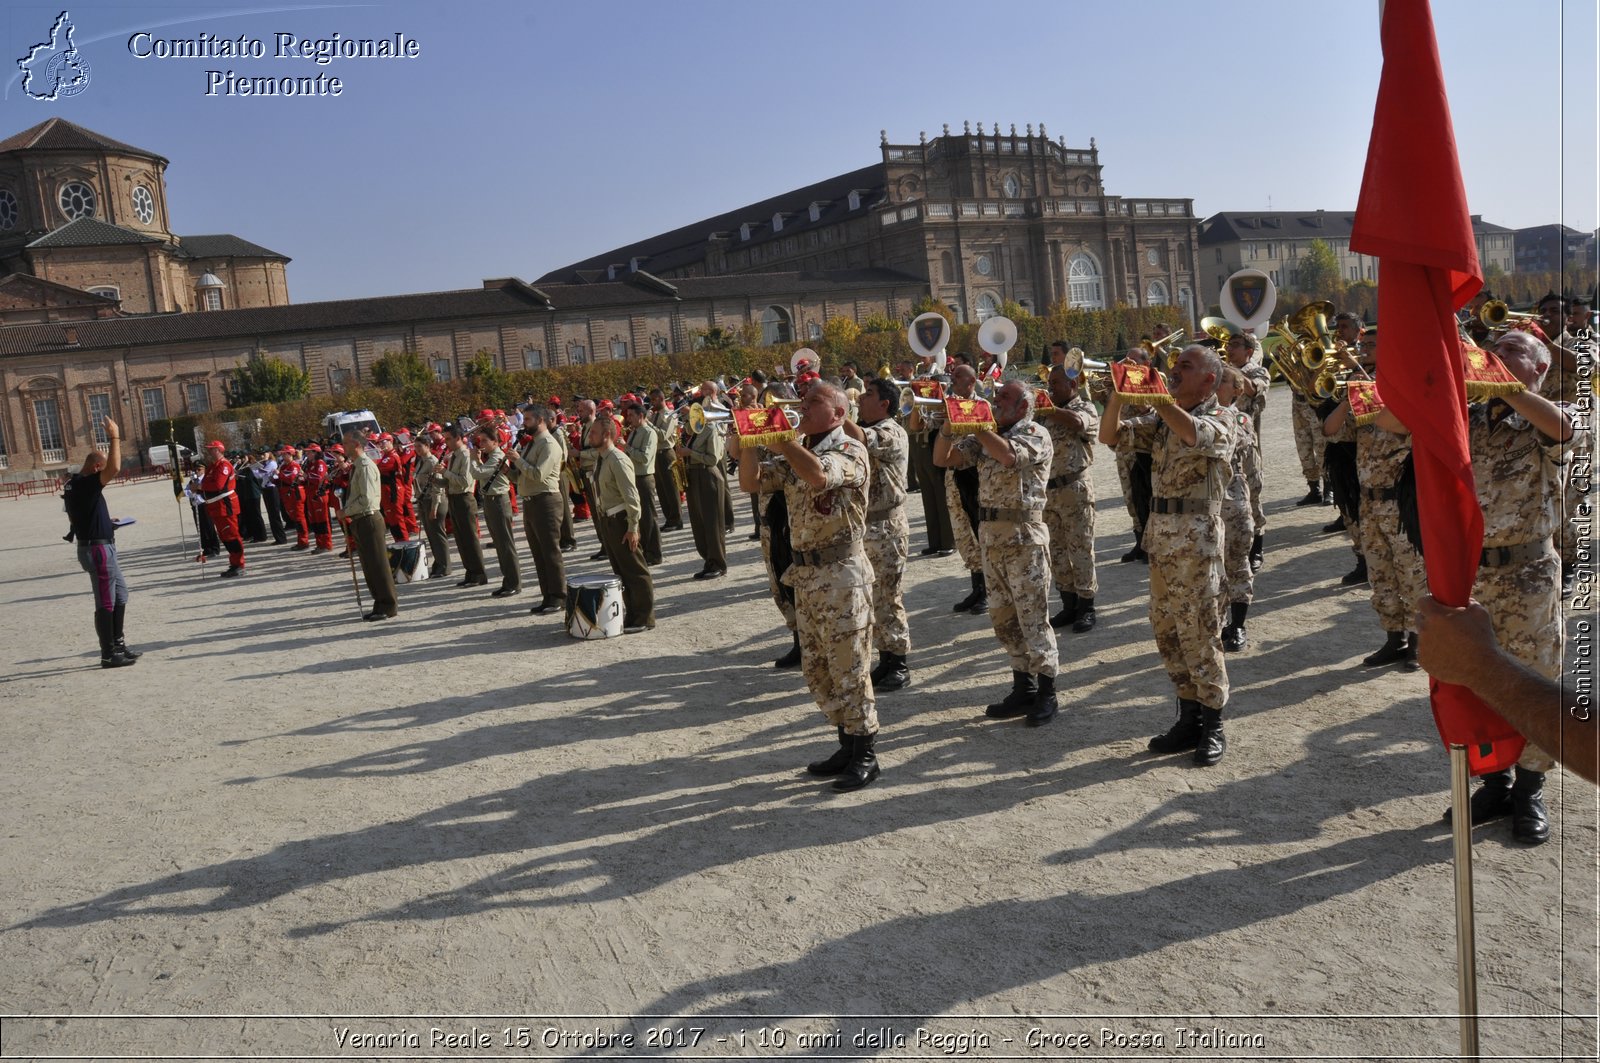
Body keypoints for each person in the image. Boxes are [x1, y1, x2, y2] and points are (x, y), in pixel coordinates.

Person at [1405, 328, 1577, 844]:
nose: (1498, 354)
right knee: (1471, 679)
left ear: (1539, 370)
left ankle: (1529, 791)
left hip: (1526, 576)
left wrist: (1501, 384)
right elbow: (1397, 419)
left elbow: (1565, 431)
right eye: (1494, 347)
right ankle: (1494, 783)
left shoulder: (1553, 414)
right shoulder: (1468, 418)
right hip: (1470, 573)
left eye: (1514, 351)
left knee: (1534, 679)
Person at [735, 382, 880, 790]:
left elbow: (819, 477)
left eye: (813, 401)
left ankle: (866, 752)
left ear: (838, 413)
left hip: (842, 576)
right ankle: (846, 742)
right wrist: (749, 435)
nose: (802, 406)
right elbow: (751, 482)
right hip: (808, 577)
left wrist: (780, 440)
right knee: (818, 669)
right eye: (803, 400)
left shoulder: (850, 449)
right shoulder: (799, 449)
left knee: (849, 667)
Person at [1101, 345, 1236, 764]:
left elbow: (1196, 435)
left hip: (1197, 542)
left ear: (1210, 380)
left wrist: (1160, 399)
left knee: (1200, 631)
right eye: (1174, 366)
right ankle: (1188, 716)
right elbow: (1111, 436)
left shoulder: (1223, 417)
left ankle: (1214, 723)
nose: (1174, 371)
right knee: (1168, 631)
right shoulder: (1162, 416)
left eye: (1185, 367)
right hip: (1162, 540)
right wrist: (1121, 393)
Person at [936, 379, 1060, 726]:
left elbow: (1008, 456)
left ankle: (1048, 692)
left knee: (1032, 617)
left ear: (1023, 406)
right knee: (1004, 620)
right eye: (996, 395)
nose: (995, 400)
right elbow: (942, 457)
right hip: (991, 537)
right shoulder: (984, 435)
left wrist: (978, 423)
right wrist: (949, 423)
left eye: (1004, 396)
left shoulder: (1034, 432)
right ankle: (1024, 686)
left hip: (1024, 537)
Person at [1414, 595, 1597, 788]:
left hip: (1528, 581)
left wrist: (1482, 667)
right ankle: (1495, 782)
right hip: (1472, 583)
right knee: (1472, 703)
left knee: (1536, 667)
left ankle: (1529, 789)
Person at [843, 377, 911, 691]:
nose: (860, 399)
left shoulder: (891, 430)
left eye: (868, 395)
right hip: (865, 527)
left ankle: (899, 663)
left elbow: (857, 434)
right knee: (871, 600)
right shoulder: (865, 427)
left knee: (888, 597)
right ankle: (885, 659)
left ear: (884, 403)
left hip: (887, 528)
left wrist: (835, 409)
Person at [64, 417, 140, 667]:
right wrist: (115, 436)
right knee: (105, 600)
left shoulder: (76, 484)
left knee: (121, 594)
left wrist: (107, 520)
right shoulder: (85, 484)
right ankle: (108, 653)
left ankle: (118, 644)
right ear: (97, 467)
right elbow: (115, 468)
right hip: (97, 549)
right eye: (103, 470)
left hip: (101, 544)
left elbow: (85, 513)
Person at [1039, 364, 1100, 633]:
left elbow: (1077, 424)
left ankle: (1087, 606)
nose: (1050, 387)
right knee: (1057, 552)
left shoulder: (1084, 408)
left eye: (1056, 383)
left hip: (1074, 489)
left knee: (1081, 549)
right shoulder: (1045, 413)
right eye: (1049, 382)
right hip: (1048, 492)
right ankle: (1069, 604)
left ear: (1072, 386)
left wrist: (1048, 408)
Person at [591, 414, 655, 633]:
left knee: (635, 570)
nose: (590, 436)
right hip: (608, 520)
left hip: (621, 520)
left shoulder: (617, 459)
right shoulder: (602, 458)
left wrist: (632, 527)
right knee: (622, 571)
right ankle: (633, 613)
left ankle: (644, 617)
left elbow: (632, 497)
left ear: (607, 435)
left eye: (594, 433)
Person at [1213, 367, 1257, 651]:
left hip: (1232, 499)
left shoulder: (1239, 418)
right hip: (1208, 501)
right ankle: (1217, 623)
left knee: (1237, 564)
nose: (1217, 384)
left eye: (1223, 381)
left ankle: (1238, 626)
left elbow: (1232, 444)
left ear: (1237, 391)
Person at [508, 407, 567, 615]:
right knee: (538, 553)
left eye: (529, 419)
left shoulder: (549, 444)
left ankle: (559, 596)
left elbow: (539, 474)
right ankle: (547, 596)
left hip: (546, 501)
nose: (525, 424)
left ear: (540, 420)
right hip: (532, 501)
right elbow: (522, 477)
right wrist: (508, 469)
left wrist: (518, 460)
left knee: (550, 551)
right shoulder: (532, 443)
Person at [942, 364, 989, 614]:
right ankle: (977, 586)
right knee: (962, 532)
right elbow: (919, 426)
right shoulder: (947, 402)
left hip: (974, 474)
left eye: (957, 375)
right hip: (953, 475)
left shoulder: (982, 405)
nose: (952, 378)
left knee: (978, 530)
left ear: (970, 381)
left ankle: (988, 590)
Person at [341, 426, 399, 621]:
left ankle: (388, 605)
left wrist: (345, 511)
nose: (343, 446)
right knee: (369, 566)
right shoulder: (357, 465)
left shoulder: (365, 466)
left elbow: (366, 499)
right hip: (360, 520)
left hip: (368, 518)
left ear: (356, 444)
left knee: (378, 565)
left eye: (346, 442)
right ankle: (379, 602)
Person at [676, 386, 728, 579]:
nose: (689, 417)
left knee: (712, 523)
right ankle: (708, 560)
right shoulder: (691, 430)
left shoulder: (710, 429)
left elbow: (712, 459)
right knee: (699, 523)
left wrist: (691, 454)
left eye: (693, 413)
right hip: (694, 475)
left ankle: (718, 563)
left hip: (708, 475)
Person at [1109, 348, 1154, 563]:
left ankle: (1150, 544)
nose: (1129, 363)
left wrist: (1130, 378)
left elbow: (1147, 409)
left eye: (1134, 360)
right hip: (1123, 449)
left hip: (1143, 449)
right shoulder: (1122, 380)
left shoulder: (1151, 380)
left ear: (1146, 363)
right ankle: (1139, 541)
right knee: (1130, 499)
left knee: (1146, 496)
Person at [472, 427, 521, 598]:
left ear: (495, 442)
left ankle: (513, 582)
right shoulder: (491, 457)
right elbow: (482, 474)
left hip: (499, 501)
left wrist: (473, 460)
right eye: (480, 441)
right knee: (500, 544)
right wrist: (478, 460)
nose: (481, 444)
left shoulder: (497, 456)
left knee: (506, 544)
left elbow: (476, 474)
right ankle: (508, 581)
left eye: (485, 440)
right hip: (491, 501)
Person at [440, 425, 489, 587]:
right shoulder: (454, 455)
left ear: (458, 438)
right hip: (454, 498)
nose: (446, 442)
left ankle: (479, 574)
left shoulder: (465, 455)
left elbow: (464, 481)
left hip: (464, 499)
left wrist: (445, 472)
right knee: (460, 539)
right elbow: (450, 481)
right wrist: (436, 479)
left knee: (470, 538)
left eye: (448, 439)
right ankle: (470, 572)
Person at [621, 400, 664, 565]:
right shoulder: (635, 431)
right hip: (634, 477)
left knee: (648, 517)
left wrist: (627, 448)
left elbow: (644, 458)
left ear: (641, 416)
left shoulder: (648, 433)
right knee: (638, 517)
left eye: (631, 415)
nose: (628, 419)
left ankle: (654, 553)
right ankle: (645, 550)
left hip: (644, 478)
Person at [198, 440, 246, 578]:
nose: (210, 451)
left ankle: (239, 564)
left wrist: (201, 487)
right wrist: (201, 487)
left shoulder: (224, 465)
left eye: (212, 449)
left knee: (231, 535)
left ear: (219, 450)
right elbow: (207, 482)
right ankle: (234, 563)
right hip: (216, 506)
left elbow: (218, 485)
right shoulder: (213, 466)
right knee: (225, 536)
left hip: (225, 505)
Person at [412, 434, 451, 579]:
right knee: (432, 535)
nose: (417, 450)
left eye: (420, 446)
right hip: (424, 500)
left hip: (434, 501)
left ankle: (444, 566)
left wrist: (434, 508)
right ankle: (438, 563)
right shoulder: (421, 461)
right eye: (415, 447)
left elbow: (438, 487)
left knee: (438, 534)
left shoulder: (433, 461)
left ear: (428, 446)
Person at [647, 388, 684, 531]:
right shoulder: (654, 415)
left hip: (666, 452)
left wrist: (648, 423)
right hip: (656, 454)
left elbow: (663, 436)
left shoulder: (670, 415)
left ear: (661, 399)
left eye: (653, 400)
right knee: (661, 489)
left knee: (670, 487)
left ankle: (677, 519)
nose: (651, 403)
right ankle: (669, 518)